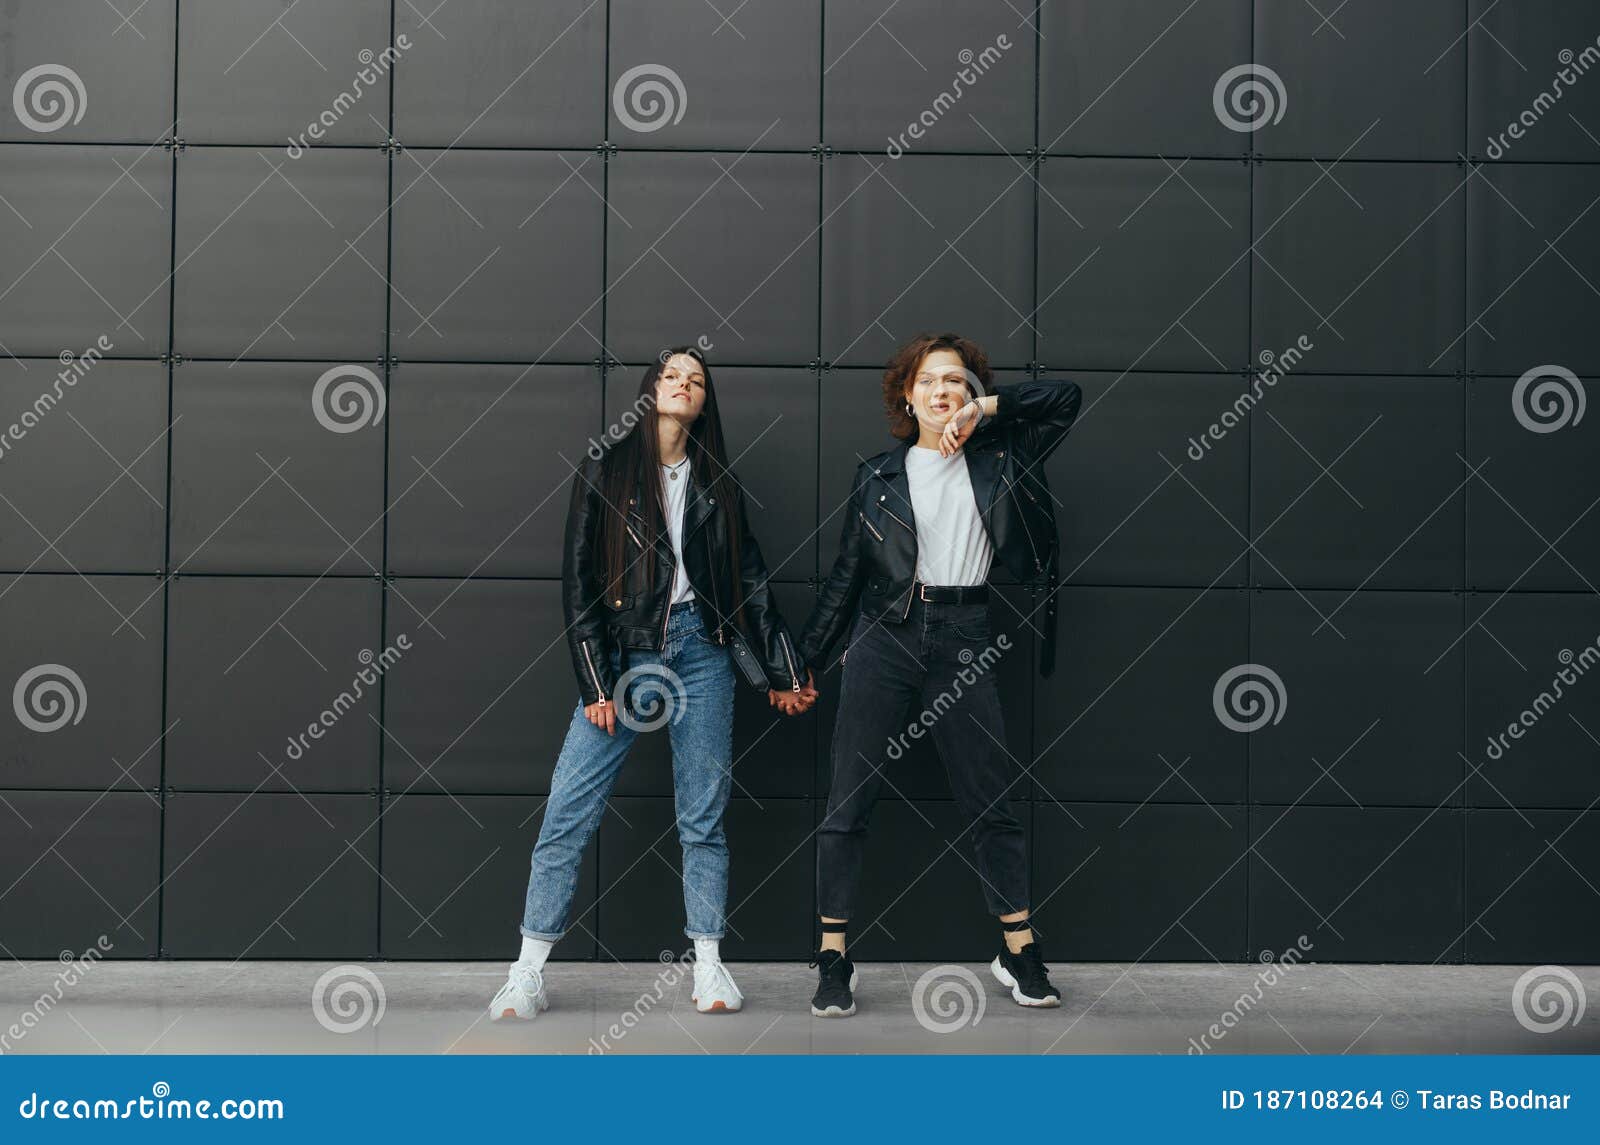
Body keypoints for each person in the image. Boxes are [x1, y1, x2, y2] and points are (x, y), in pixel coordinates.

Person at [490, 347, 818, 1021]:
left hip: (703, 651)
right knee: (567, 811)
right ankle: (526, 971)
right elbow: (578, 582)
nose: (684, 384)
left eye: (696, 380)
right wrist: (594, 681)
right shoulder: (606, 469)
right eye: (673, 374)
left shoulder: (718, 483)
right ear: (651, 390)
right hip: (627, 656)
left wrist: (782, 671)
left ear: (703, 403)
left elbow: (749, 584)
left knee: (703, 816)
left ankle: (708, 965)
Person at [797, 332, 1082, 1017]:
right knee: (847, 803)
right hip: (884, 637)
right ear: (907, 394)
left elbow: (1066, 400)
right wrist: (802, 661)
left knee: (992, 802)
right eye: (929, 380)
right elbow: (846, 576)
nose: (942, 390)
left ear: (970, 393)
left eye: (956, 380)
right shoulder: (878, 476)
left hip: (964, 634)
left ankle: (1019, 949)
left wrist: (987, 411)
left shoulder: (1004, 456)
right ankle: (834, 957)